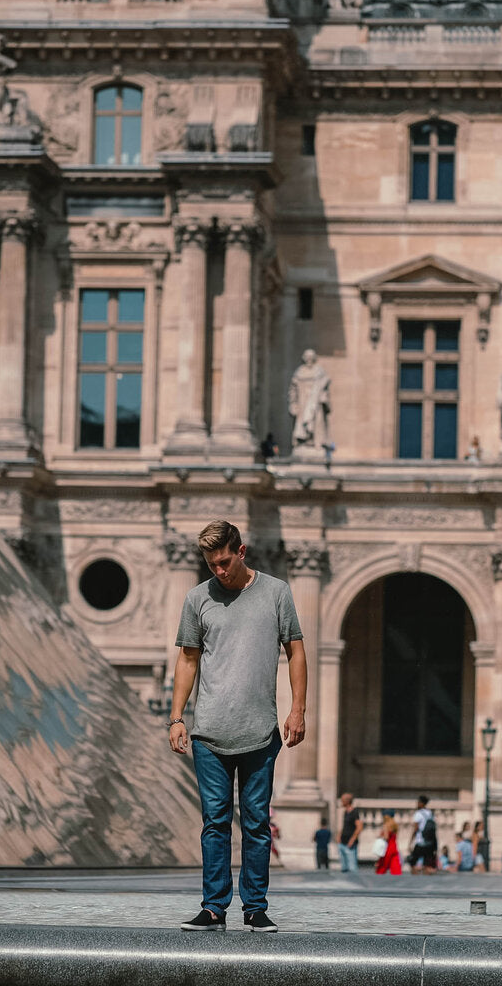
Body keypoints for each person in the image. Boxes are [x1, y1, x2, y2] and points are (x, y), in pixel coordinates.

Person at [171, 520, 307, 933]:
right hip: (209, 733)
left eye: (225, 562)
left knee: (256, 823)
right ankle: (213, 907)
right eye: (212, 565)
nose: (220, 572)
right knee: (214, 823)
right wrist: (177, 716)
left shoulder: (276, 593)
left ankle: (255, 908)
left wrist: (298, 708)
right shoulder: (198, 599)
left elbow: (296, 652)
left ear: (242, 551)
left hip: (261, 732)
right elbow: (188, 660)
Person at [288, 349, 331, 455]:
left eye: (311, 357)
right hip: (302, 402)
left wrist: (323, 397)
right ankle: (303, 442)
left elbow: (324, 388)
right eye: (307, 357)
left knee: (316, 424)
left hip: (315, 403)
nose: (309, 359)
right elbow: (292, 390)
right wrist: (293, 403)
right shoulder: (299, 371)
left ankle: (315, 443)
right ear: (304, 358)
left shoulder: (319, 372)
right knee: (301, 425)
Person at [407, 795, 437, 873]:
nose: (417, 804)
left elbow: (416, 828)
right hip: (429, 839)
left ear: (422, 803)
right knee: (427, 858)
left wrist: (411, 840)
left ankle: (416, 870)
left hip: (420, 839)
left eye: (418, 802)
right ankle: (425, 869)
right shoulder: (430, 813)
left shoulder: (418, 814)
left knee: (413, 858)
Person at [336, 792, 363, 872]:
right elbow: (345, 826)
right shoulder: (345, 812)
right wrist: (339, 835)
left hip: (350, 844)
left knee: (352, 867)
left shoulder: (354, 812)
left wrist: (352, 839)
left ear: (347, 801)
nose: (341, 802)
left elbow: (359, 827)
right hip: (342, 842)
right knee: (344, 868)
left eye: (342, 800)